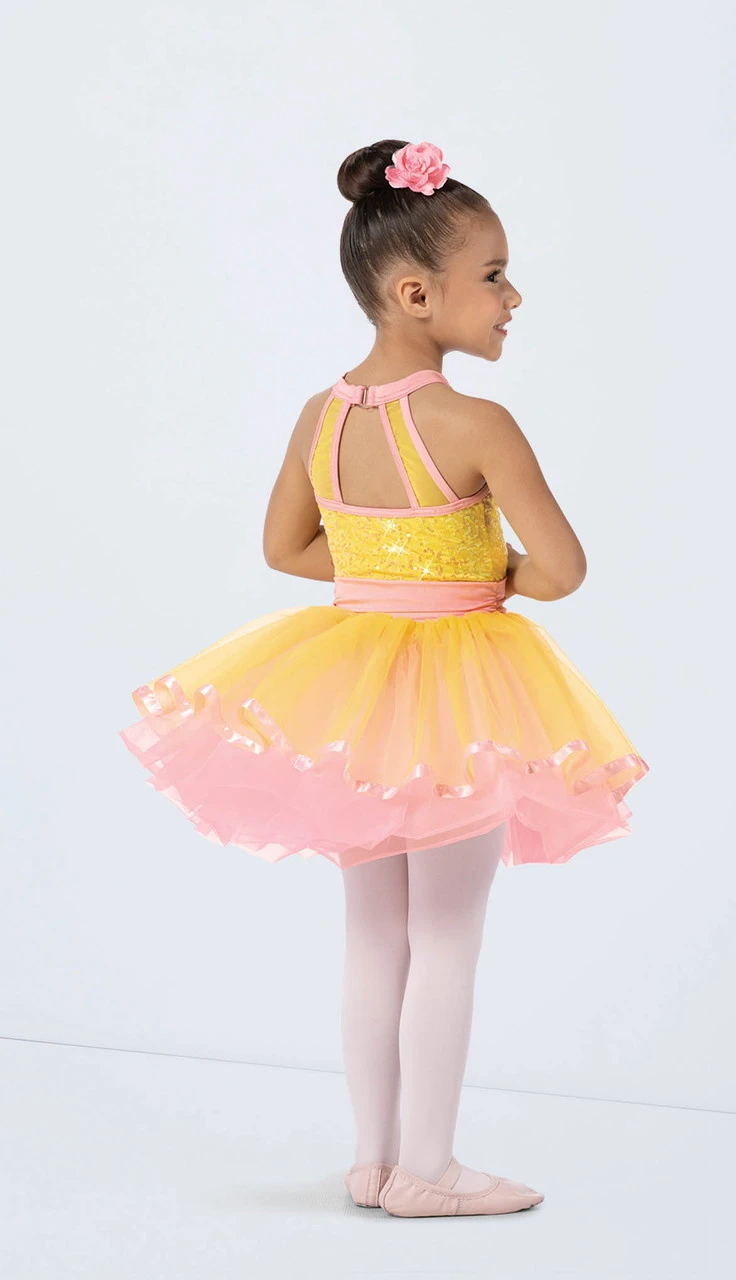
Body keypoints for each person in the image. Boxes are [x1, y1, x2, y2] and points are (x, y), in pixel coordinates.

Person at [119, 139, 650, 1219]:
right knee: (447, 932)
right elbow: (562, 571)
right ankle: (431, 1169)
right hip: (461, 692)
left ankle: (372, 1160)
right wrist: (479, 572)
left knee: (372, 931)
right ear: (416, 294)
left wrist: (387, 572)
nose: (513, 297)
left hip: (355, 691)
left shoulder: (321, 416)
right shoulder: (475, 424)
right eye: (493, 275)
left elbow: (285, 548)